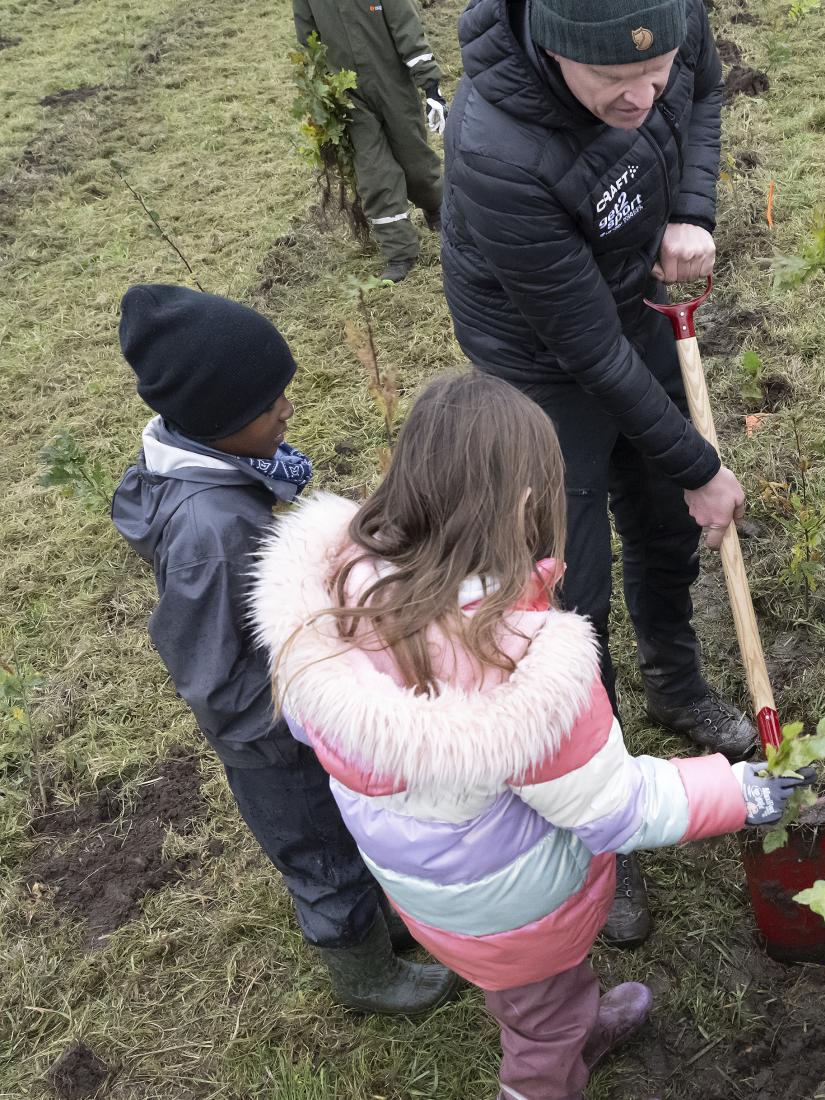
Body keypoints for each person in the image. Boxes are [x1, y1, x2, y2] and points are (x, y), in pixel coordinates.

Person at [250, 373, 811, 1100]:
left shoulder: (347, 590)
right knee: (537, 1030)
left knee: (527, 991)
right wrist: (738, 792)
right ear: (524, 507)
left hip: (433, 887)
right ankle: (550, 1062)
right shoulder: (527, 665)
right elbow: (615, 805)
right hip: (515, 904)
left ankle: (570, 1019)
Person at [444, 0, 754, 944]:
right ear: (550, 50)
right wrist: (701, 462)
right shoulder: (498, 149)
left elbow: (695, 86)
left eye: (652, 67)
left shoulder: (662, 28)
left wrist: (689, 206)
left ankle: (676, 682)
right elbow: (590, 353)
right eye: (614, 82)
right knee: (566, 586)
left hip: (631, 301)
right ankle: (595, 805)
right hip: (544, 361)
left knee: (664, 522)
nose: (643, 92)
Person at [109, 285, 458, 1015]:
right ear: (220, 420)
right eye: (272, 405)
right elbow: (211, 677)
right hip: (269, 740)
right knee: (319, 852)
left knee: (344, 829)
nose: (288, 412)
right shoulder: (210, 536)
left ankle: (376, 917)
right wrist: (296, 719)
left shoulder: (216, 476)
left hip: (288, 709)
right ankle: (364, 975)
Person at [292, 0, 449, 283]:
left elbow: (407, 29)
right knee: (375, 173)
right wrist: (322, 94)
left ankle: (436, 206)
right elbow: (308, 39)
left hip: (394, 85)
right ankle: (399, 251)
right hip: (349, 98)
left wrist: (431, 88)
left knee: (415, 164)